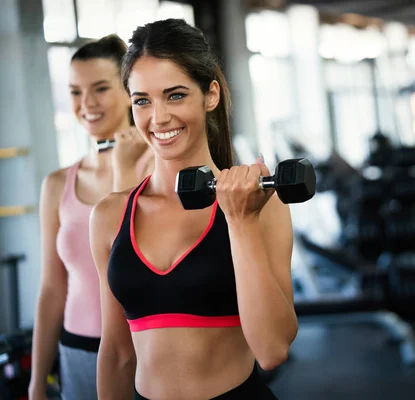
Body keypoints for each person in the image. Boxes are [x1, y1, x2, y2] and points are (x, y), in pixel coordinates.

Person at [89, 19, 297, 399]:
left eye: (175, 95)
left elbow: (273, 349)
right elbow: (118, 353)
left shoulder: (261, 205)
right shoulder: (109, 216)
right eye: (142, 101)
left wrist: (239, 220)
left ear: (210, 95)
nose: (159, 117)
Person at [28, 35, 153, 400]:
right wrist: (36, 382)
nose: (87, 104)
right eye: (75, 92)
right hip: (76, 351)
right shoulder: (57, 184)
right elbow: (52, 288)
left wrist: (124, 169)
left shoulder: (161, 170)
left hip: (147, 352)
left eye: (100, 88)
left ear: (130, 91)